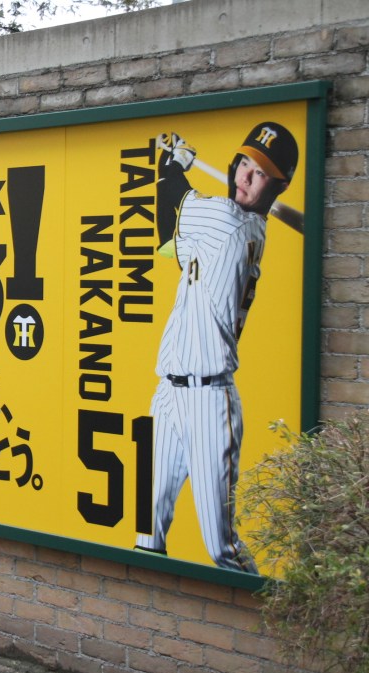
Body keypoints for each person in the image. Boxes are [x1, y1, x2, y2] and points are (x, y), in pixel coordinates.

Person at [135, 122, 299, 574]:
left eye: (261, 172)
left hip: (210, 402)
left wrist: (173, 164)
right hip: (167, 395)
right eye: (244, 162)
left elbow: (174, 193)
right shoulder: (232, 227)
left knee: (221, 548)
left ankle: (265, 609)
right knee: (145, 532)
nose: (245, 175)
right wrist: (170, 173)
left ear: (279, 185)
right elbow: (167, 239)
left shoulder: (227, 221)